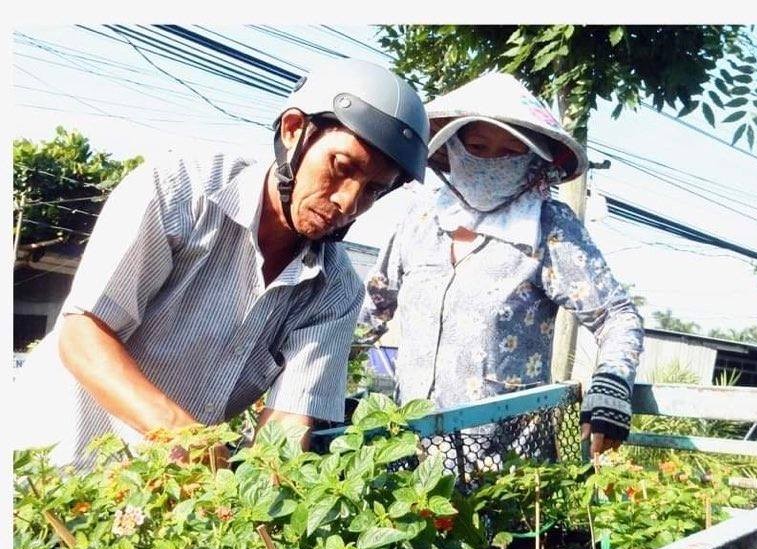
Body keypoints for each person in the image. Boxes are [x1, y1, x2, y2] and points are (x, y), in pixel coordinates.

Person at [12, 58, 430, 472]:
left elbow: (287, 425)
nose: (349, 202)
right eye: (341, 167)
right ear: (293, 130)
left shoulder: (336, 292)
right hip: (47, 466)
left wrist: (250, 501)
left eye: (374, 190)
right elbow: (84, 334)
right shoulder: (179, 190)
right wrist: (183, 437)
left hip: (166, 505)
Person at [359, 72, 644, 463]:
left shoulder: (548, 227)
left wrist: (613, 381)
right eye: (477, 145)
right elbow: (369, 312)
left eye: (511, 151)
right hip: (411, 455)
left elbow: (617, 315)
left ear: (533, 161)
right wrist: (323, 381)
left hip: (505, 466)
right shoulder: (421, 220)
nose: (491, 161)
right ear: (453, 147)